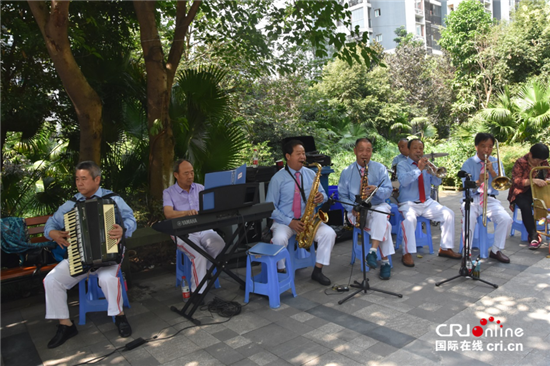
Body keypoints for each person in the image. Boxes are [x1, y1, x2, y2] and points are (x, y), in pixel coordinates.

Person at [43, 161, 137, 348]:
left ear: (97, 180)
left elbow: (130, 219)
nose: (79, 183)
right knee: (51, 280)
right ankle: (66, 325)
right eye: (77, 179)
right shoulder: (71, 204)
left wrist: (123, 229)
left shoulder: (113, 199)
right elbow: (50, 225)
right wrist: (52, 233)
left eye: (84, 179)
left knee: (108, 279)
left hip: (109, 257)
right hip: (79, 258)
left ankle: (119, 317)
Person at [265, 140, 336, 285]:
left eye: (303, 153)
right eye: (298, 154)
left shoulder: (311, 174)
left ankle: (318, 270)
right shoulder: (277, 178)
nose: (303, 157)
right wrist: (290, 222)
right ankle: (281, 271)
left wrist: (321, 197)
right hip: (286, 221)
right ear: (288, 156)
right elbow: (270, 208)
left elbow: (324, 195)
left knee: (329, 234)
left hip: (308, 220)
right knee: (279, 239)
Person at [163, 159, 225, 295]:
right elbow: (168, 213)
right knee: (199, 256)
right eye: (186, 173)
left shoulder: (200, 188)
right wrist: (186, 213)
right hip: (182, 232)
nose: (190, 176)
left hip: (203, 228)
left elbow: (211, 207)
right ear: (176, 175)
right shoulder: (168, 192)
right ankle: (198, 293)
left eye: (192, 172)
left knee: (219, 244)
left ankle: (204, 272)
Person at [397, 139, 461, 267]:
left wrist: (435, 174)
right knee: (409, 220)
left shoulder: (426, 165)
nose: (418, 151)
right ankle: (407, 253)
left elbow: (436, 184)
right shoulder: (402, 165)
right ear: (409, 150)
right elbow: (403, 181)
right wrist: (418, 169)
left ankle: (445, 248)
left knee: (448, 214)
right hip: (409, 203)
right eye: (415, 148)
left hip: (426, 202)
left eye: (421, 148)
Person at [338, 138, 394, 280]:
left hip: (377, 206)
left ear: (372, 152)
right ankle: (385, 262)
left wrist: (377, 190)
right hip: (356, 210)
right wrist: (353, 207)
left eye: (368, 150)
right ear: (355, 151)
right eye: (361, 150)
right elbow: (342, 196)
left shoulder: (380, 168)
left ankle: (373, 251)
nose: (365, 154)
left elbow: (389, 191)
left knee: (381, 215)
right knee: (385, 225)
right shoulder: (346, 172)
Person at [461, 133, 513, 263]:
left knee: (506, 219)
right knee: (470, 217)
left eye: (490, 147)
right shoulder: (469, 163)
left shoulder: (496, 162)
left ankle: (496, 250)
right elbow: (465, 186)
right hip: (472, 198)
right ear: (476, 147)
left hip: (490, 199)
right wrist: (478, 181)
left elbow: (501, 185)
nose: (486, 150)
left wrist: (493, 172)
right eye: (483, 146)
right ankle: (467, 251)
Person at [507, 143, 550, 249]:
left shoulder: (543, 161)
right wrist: (533, 181)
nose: (540, 163)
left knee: (545, 202)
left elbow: (548, 174)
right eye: (537, 161)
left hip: (539, 191)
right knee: (525, 206)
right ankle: (533, 235)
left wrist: (547, 180)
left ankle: (543, 227)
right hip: (522, 191)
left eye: (541, 161)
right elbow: (516, 181)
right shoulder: (521, 162)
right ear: (530, 155)